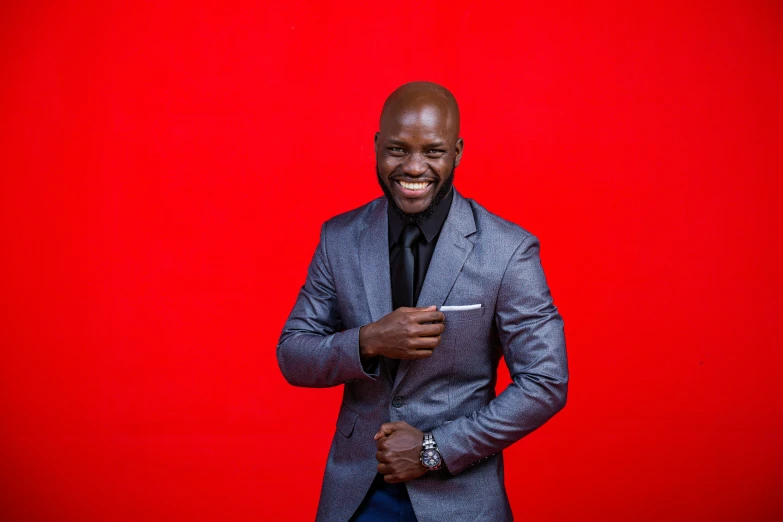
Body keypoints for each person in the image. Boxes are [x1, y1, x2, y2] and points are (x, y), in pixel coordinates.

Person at [277, 81, 568, 522]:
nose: (414, 167)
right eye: (397, 149)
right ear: (376, 145)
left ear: (457, 152)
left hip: (460, 498)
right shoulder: (339, 239)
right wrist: (368, 341)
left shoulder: (508, 250)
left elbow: (546, 381)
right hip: (355, 495)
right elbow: (293, 355)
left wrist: (435, 450)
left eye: (433, 152)